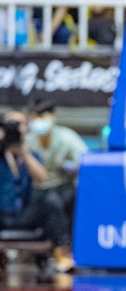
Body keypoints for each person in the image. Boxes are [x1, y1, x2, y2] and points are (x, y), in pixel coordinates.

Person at [0, 111, 73, 272]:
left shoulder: (30, 154)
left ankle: (61, 251)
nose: (15, 129)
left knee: (51, 199)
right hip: (1, 212)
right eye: (11, 125)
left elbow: (42, 177)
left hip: (21, 214)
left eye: (20, 125)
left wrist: (23, 153)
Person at [23, 98, 86, 227]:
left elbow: (85, 160)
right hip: (36, 189)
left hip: (60, 186)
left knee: (55, 200)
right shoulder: (27, 140)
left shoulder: (67, 137)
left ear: (53, 117)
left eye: (42, 116)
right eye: (34, 117)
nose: (38, 121)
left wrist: (70, 166)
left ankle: (63, 243)